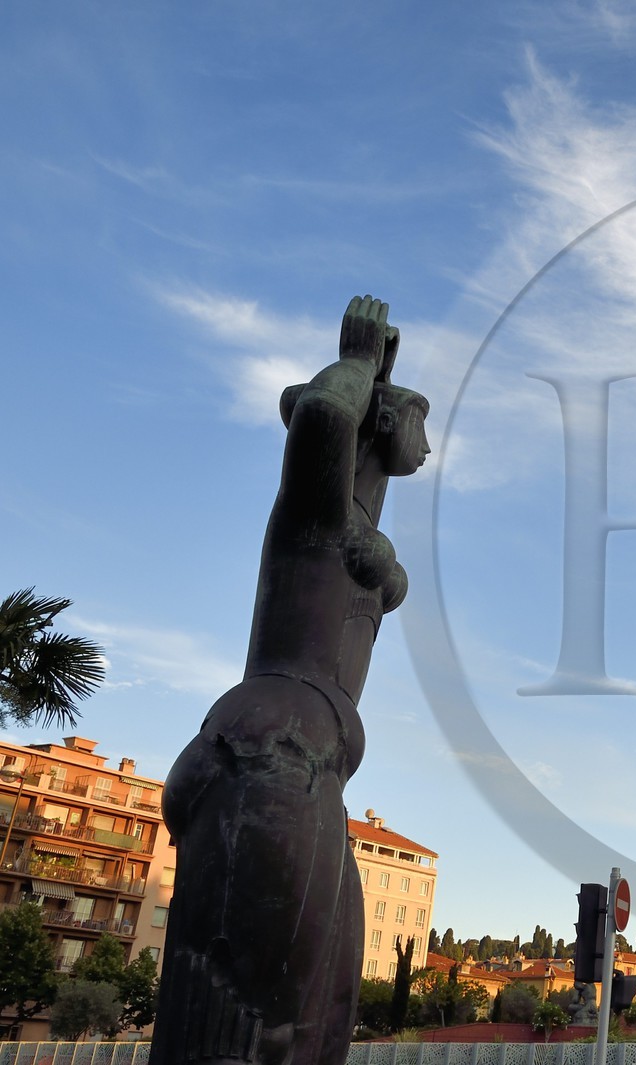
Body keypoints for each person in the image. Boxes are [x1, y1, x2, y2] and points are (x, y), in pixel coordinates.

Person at [152, 296, 429, 1065]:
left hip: (310, 768)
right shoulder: (318, 514)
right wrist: (358, 366)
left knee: (321, 1020)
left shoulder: (359, 511)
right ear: (379, 420)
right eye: (418, 418)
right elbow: (319, 422)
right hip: (271, 754)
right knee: (257, 1029)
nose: (428, 440)